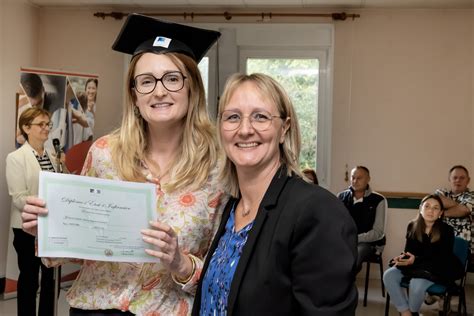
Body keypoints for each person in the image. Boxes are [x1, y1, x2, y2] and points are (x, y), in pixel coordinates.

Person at [21, 14, 225, 315]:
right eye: (146, 81)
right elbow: (74, 245)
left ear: (192, 88)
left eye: (172, 78)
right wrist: (49, 229)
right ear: (134, 94)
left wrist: (180, 263)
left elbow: (227, 266)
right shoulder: (104, 154)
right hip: (94, 307)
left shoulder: (220, 167)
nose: (159, 91)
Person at [191, 73, 358, 315]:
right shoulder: (231, 207)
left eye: (260, 117)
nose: (245, 129)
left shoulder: (317, 211)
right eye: (233, 117)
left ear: (284, 129)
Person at [6, 107, 66, 316]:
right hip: (27, 228)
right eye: (41, 124)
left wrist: (63, 167)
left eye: (48, 124)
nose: (46, 129)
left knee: (51, 278)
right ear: (26, 127)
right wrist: (46, 208)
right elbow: (19, 197)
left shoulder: (53, 155)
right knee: (30, 279)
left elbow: (62, 187)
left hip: (52, 227)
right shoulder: (16, 158)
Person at [383, 194, 464, 316]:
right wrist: (402, 258)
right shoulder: (412, 225)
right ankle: (406, 313)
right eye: (427, 206)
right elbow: (409, 252)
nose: (431, 210)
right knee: (389, 275)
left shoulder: (447, 230)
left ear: (441, 213)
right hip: (416, 266)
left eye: (436, 208)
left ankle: (414, 312)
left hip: (437, 269)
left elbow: (441, 258)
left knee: (417, 283)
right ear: (420, 209)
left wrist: (415, 260)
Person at [337, 166, 386, 272]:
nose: (355, 181)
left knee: (354, 256)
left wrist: (354, 238)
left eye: (359, 178)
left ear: (368, 179)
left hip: (368, 243)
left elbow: (378, 232)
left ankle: (343, 285)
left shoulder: (379, 200)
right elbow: (335, 224)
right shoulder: (341, 197)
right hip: (345, 240)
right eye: (353, 177)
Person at [435, 165, 473, 256]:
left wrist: (441, 213)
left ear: (468, 180)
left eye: (462, 178)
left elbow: (464, 210)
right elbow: (435, 201)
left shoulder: (472, 196)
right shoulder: (442, 193)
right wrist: (459, 206)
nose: (458, 180)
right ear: (449, 179)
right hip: (439, 244)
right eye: (455, 177)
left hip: (465, 248)